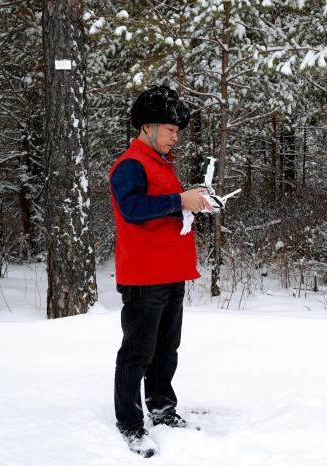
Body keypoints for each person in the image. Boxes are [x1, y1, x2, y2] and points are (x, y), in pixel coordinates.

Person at [108, 85, 212, 458]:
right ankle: (130, 423)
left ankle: (163, 409)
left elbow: (166, 208)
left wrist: (193, 198)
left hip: (171, 272)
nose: (174, 137)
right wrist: (179, 200)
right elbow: (133, 209)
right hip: (143, 275)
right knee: (137, 351)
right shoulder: (130, 165)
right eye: (170, 129)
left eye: (177, 131)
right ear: (147, 127)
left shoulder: (161, 166)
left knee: (166, 348)